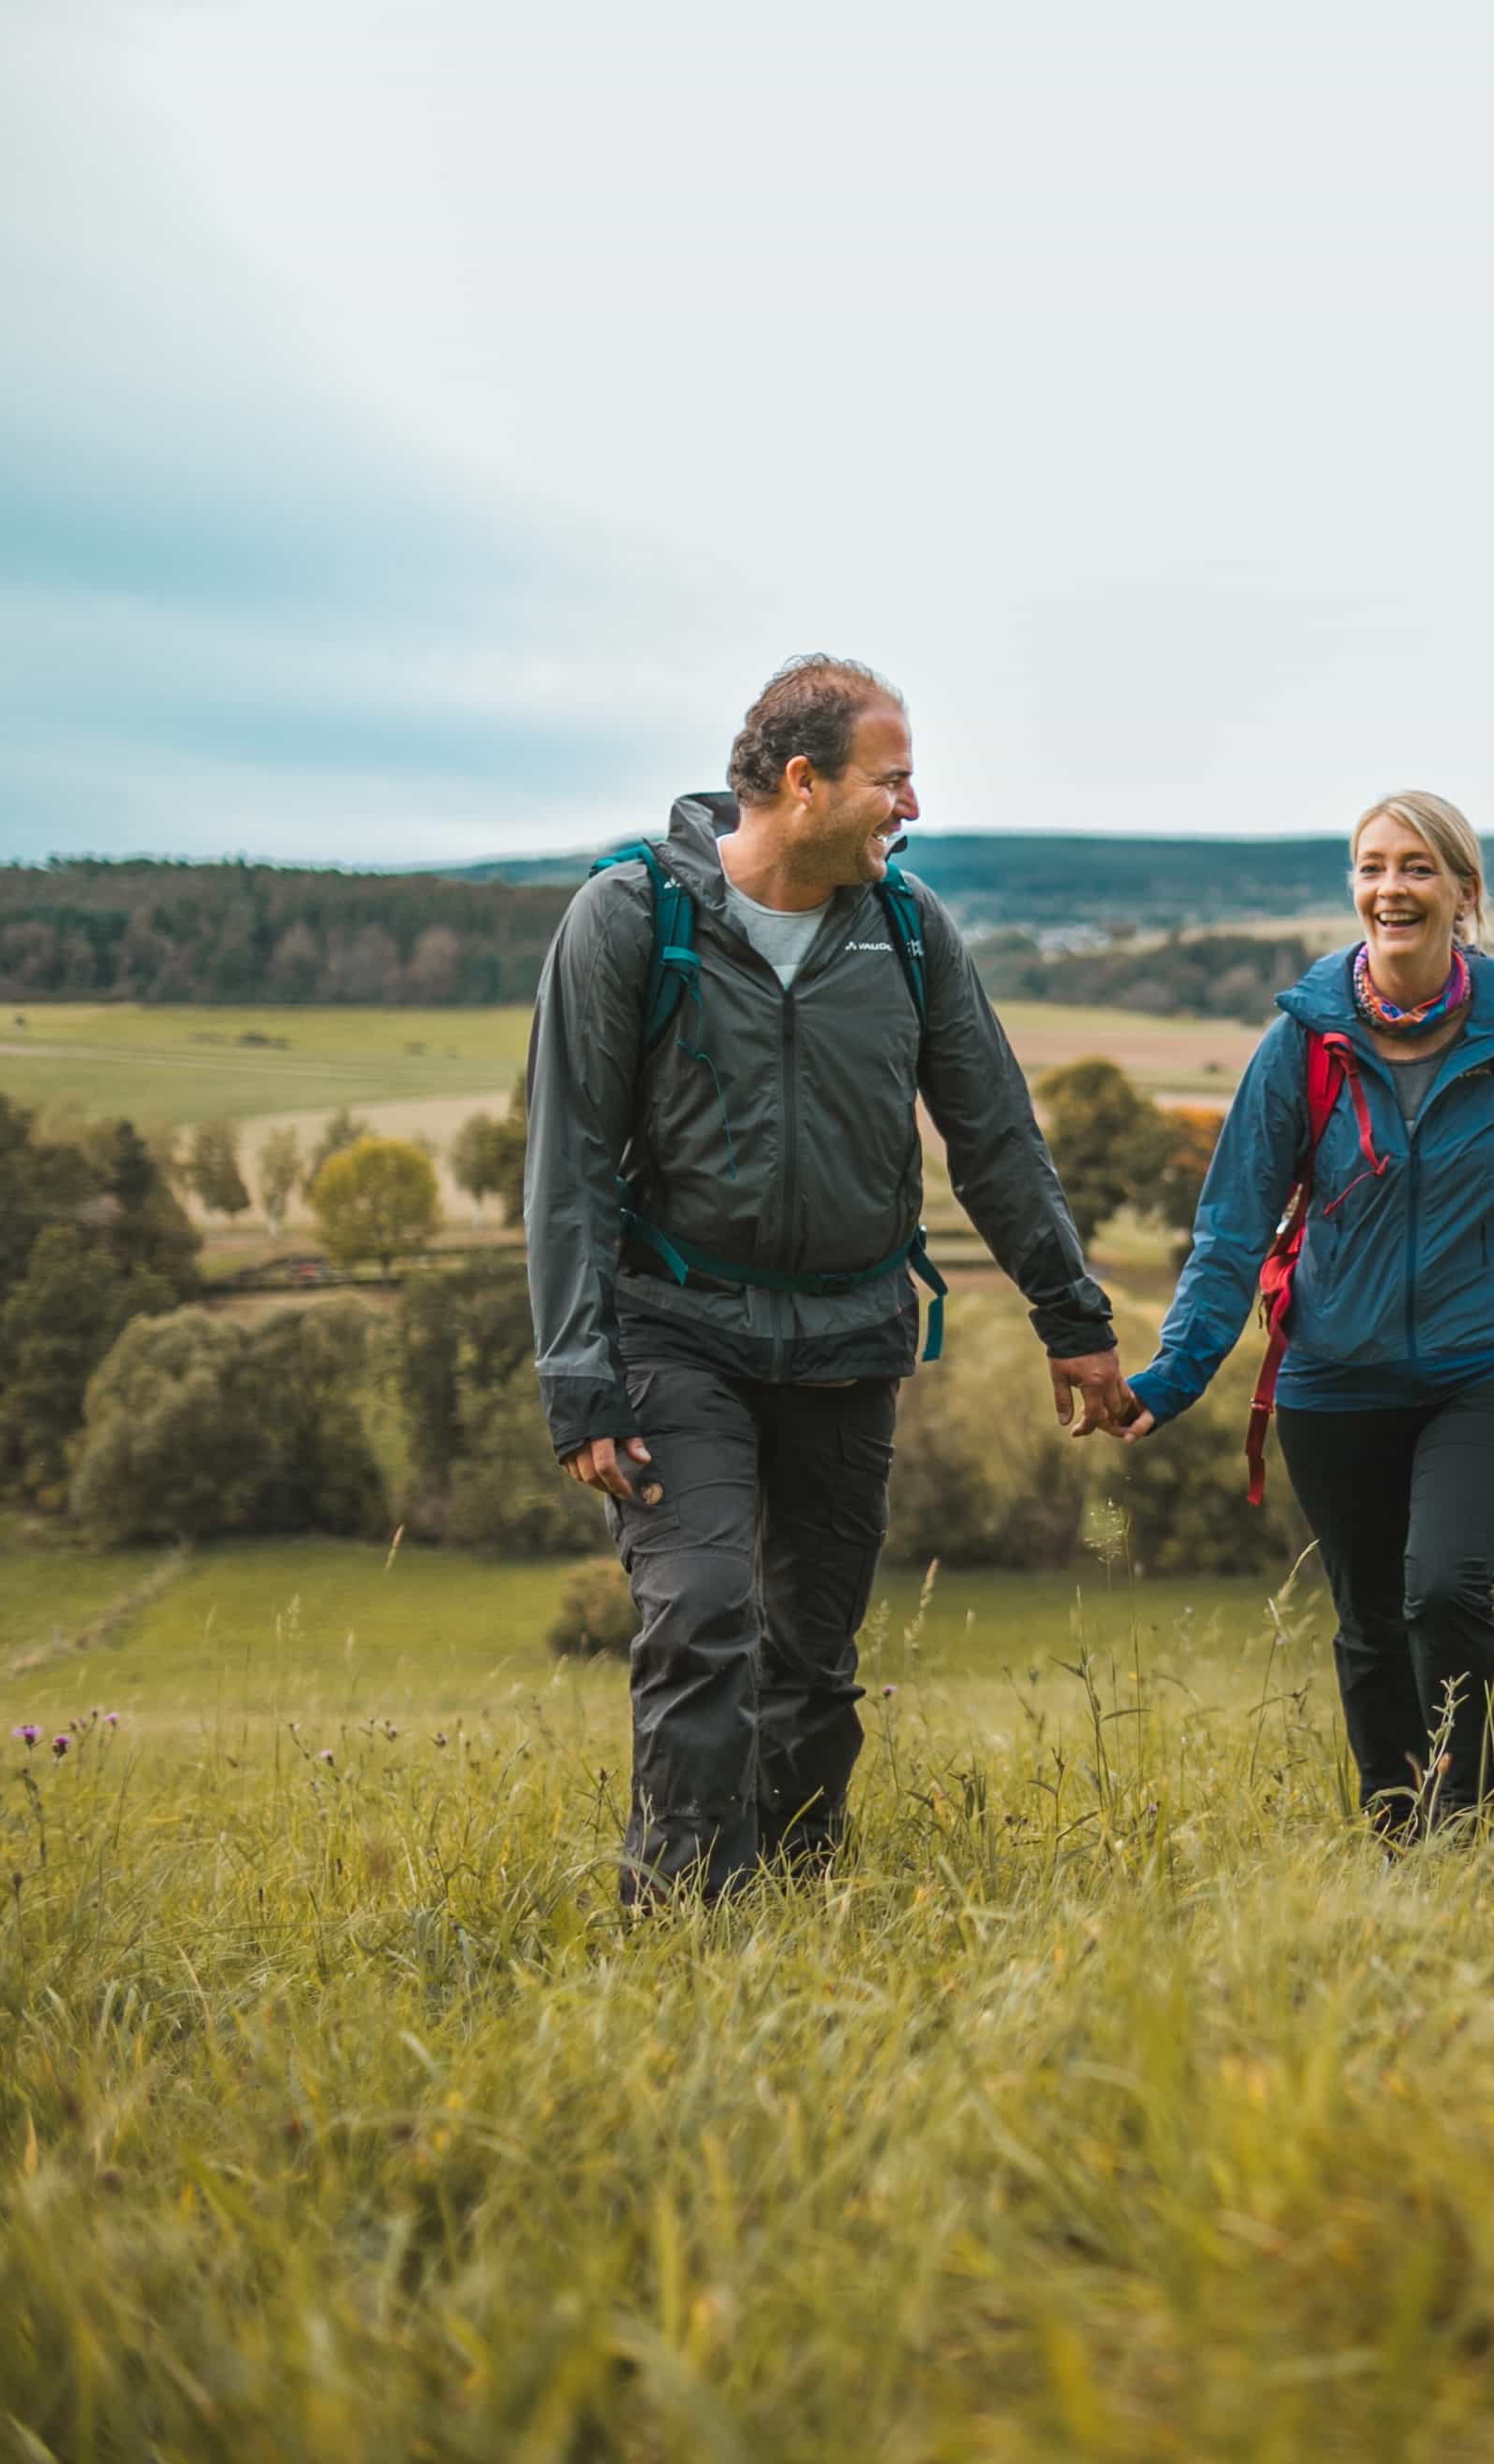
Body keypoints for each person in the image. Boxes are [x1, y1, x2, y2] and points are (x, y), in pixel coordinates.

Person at [524, 655, 1134, 1900]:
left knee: (814, 1651)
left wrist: (1073, 1317)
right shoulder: (633, 917)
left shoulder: (909, 934)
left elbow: (995, 1135)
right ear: (802, 782)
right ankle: (688, 1914)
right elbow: (572, 1156)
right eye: (892, 781)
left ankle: (802, 1890)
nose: (911, 809)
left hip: (852, 1333)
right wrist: (578, 1377)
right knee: (699, 1612)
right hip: (675, 1328)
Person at [1118, 791, 1494, 1834]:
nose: (1392, 889)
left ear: (1464, 894)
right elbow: (1232, 1229)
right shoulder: (1303, 1043)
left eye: (1419, 868)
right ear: (1355, 889)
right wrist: (1175, 1373)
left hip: (1491, 1366)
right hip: (1334, 1374)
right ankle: (1400, 1838)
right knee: (1372, 1623)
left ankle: (1474, 1821)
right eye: (1373, 867)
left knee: (1444, 1588)